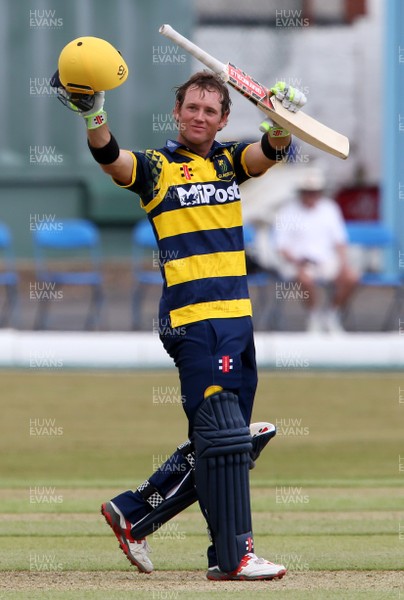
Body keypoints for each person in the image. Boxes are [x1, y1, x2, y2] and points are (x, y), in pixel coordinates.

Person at [52, 40, 307, 580]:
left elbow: (270, 150)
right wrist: (94, 115)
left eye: (210, 109)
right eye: (191, 106)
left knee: (227, 442)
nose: (199, 115)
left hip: (237, 319)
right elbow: (111, 159)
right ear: (177, 112)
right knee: (222, 435)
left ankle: (135, 511)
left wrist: (280, 120)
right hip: (192, 320)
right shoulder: (158, 167)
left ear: (222, 119)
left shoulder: (228, 161)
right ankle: (236, 556)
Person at [274, 169, 358, 332]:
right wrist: (297, 261)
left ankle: (332, 314)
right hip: (297, 262)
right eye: (308, 192)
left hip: (326, 261)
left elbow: (340, 241)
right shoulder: (287, 212)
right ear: (301, 192)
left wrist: (344, 263)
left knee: (351, 277)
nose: (311, 196)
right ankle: (314, 317)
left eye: (314, 192)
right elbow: (281, 247)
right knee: (304, 278)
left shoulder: (330, 208)